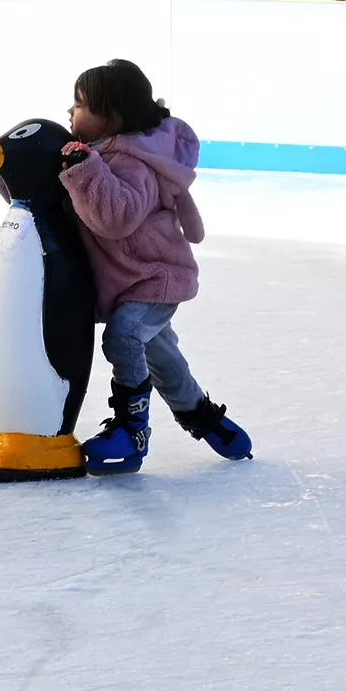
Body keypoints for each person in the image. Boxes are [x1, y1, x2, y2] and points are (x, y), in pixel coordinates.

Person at [56, 58, 254, 474]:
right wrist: (4, 165)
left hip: (155, 278)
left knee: (124, 337)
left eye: (79, 104)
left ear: (111, 115)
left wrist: (85, 169)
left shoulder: (132, 162)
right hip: (130, 281)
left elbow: (116, 218)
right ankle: (201, 415)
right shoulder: (96, 154)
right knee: (162, 358)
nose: (70, 112)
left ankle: (132, 429)